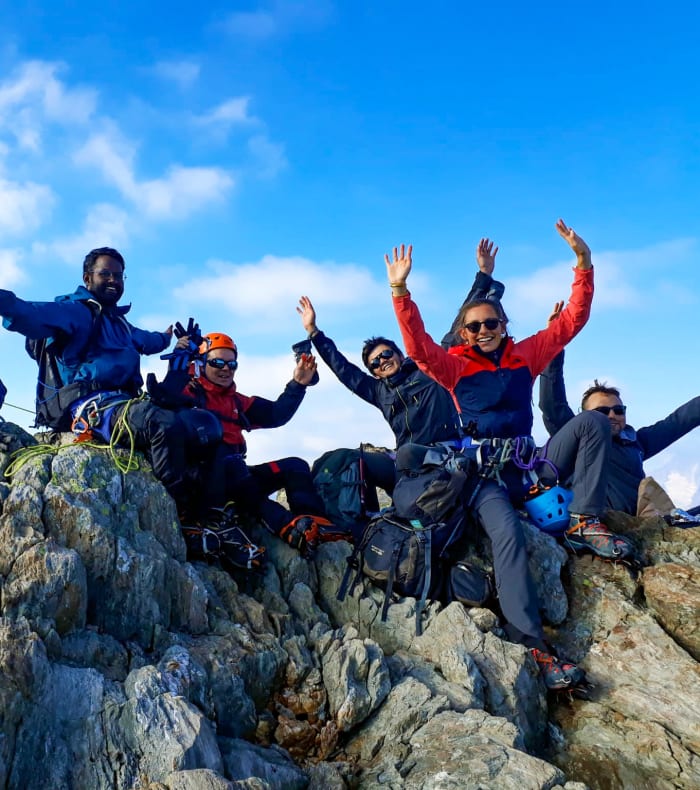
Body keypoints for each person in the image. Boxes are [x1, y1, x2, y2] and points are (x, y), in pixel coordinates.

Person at [384, 220, 613, 691]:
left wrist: (583, 265)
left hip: (530, 463)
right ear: (464, 335)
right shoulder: (454, 367)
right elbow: (418, 347)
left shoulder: (524, 355)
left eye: (491, 323)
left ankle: (586, 520)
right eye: (474, 326)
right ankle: (533, 645)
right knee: (507, 534)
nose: (483, 330)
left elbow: (573, 320)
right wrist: (400, 290)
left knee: (591, 423)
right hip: (485, 477)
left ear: (504, 326)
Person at [296, 238, 506, 496]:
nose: (382, 360)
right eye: (375, 362)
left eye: (386, 354)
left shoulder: (429, 368)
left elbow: (458, 326)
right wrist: (313, 332)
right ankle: (360, 526)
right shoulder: (377, 391)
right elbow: (343, 370)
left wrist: (484, 275)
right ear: (374, 372)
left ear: (399, 354)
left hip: (448, 454)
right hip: (407, 465)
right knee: (352, 459)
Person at [0, 247, 193, 505]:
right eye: (106, 274)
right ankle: (176, 507)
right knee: (161, 423)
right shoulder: (76, 312)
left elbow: (149, 341)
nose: (114, 280)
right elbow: (28, 312)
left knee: (197, 424)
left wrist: (170, 339)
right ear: (87, 278)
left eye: (119, 275)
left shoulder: (120, 324)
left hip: (124, 404)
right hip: (91, 407)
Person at [151, 330, 332, 556]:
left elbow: (276, 414)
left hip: (237, 475)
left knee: (295, 466)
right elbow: (167, 398)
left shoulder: (236, 401)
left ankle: (314, 523)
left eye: (232, 363)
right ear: (201, 363)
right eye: (217, 362)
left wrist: (298, 384)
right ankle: (288, 527)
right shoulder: (188, 392)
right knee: (227, 461)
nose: (226, 368)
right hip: (205, 481)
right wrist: (181, 356)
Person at [539, 352, 700, 516]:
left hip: (639, 520)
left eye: (618, 410)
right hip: (595, 518)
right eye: (601, 411)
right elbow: (552, 404)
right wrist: (555, 346)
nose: (612, 415)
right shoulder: (576, 441)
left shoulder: (637, 443)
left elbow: (678, 421)